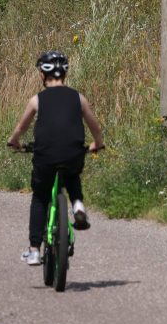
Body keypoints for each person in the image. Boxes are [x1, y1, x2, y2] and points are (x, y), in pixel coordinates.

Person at [6, 50, 104, 266]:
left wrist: (14, 141)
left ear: (43, 73)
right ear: (65, 74)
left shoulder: (36, 100)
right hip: (73, 153)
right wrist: (97, 143)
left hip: (45, 155)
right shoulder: (78, 98)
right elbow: (94, 125)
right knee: (72, 175)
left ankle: (33, 250)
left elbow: (21, 127)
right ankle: (77, 205)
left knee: (40, 197)